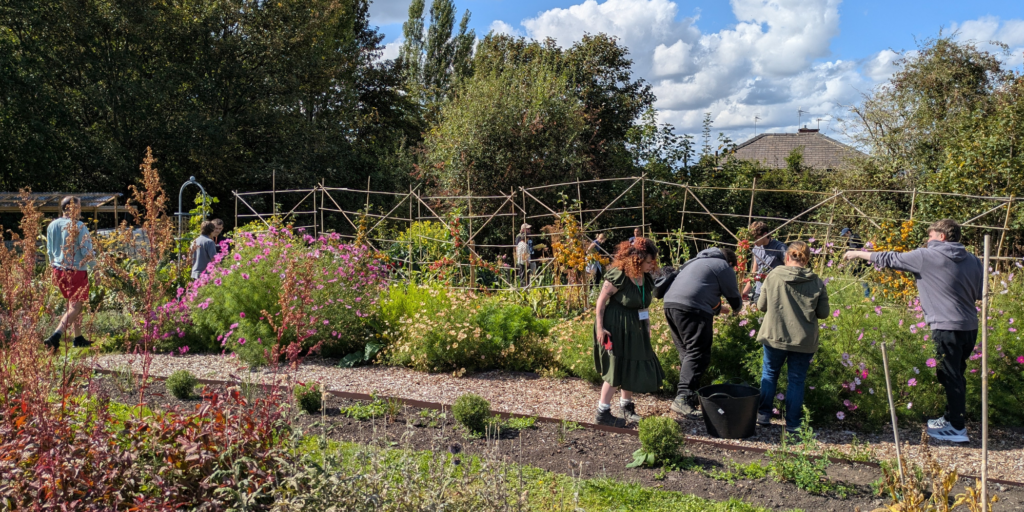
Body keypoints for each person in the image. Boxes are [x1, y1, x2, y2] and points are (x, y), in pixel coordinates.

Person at [843, 219, 982, 443]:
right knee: (956, 373)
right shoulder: (974, 260)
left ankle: (957, 428)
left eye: (931, 236)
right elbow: (979, 292)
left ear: (942, 237)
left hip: (945, 326)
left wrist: (858, 254)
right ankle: (950, 418)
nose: (928, 240)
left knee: (950, 375)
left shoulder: (927, 256)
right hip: (969, 326)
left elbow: (890, 258)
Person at [755, 241, 830, 433]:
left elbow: (761, 305)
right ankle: (793, 423)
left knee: (770, 374)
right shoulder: (816, 281)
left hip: (775, 334)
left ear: (787, 257)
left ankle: (763, 416)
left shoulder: (773, 276)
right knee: (796, 380)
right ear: (806, 259)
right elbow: (823, 313)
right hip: (803, 339)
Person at [662, 247, 743, 417]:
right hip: (692, 308)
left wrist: (719, 308)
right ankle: (683, 398)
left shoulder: (694, 262)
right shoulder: (723, 266)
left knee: (687, 352)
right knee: (698, 353)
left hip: (670, 304)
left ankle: (688, 397)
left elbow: (701, 290)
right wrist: (738, 310)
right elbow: (734, 298)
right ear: (730, 262)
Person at [593, 237, 664, 427]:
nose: (652, 265)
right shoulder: (620, 275)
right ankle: (602, 412)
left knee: (632, 364)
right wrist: (600, 328)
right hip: (615, 326)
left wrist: (647, 327)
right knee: (616, 368)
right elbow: (601, 302)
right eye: (649, 261)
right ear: (637, 259)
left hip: (635, 326)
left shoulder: (645, 278)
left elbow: (643, 305)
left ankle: (626, 406)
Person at [43, 196, 96, 351]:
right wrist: (96, 269)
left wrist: (52, 268)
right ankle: (55, 336)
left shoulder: (52, 225)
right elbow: (87, 251)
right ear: (72, 208)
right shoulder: (79, 226)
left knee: (73, 305)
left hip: (58, 269)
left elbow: (49, 250)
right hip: (76, 270)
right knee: (76, 307)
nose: (80, 210)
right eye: (79, 207)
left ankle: (78, 338)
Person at [741, 221, 787, 304]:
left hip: (775, 292)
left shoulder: (779, 247)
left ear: (765, 234)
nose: (754, 242)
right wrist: (745, 292)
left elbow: (789, 268)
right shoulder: (756, 248)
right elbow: (754, 272)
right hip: (759, 291)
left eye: (756, 238)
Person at [840, 227, 871, 299]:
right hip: (859, 260)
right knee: (860, 278)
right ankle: (864, 295)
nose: (845, 237)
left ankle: (866, 296)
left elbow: (855, 250)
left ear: (848, 232)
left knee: (861, 277)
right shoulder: (853, 238)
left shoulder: (853, 238)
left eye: (845, 235)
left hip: (858, 261)